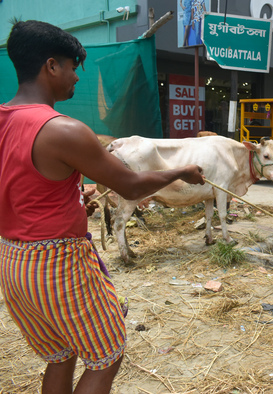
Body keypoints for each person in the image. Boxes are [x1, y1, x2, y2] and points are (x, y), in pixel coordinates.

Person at [0, 21, 205, 393]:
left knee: (60, 354)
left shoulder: (4, 121)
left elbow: (24, 187)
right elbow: (129, 184)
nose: (76, 77)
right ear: (51, 66)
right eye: (72, 67)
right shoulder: (62, 129)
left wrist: (73, 200)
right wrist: (182, 172)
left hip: (15, 265)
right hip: (58, 266)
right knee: (106, 354)